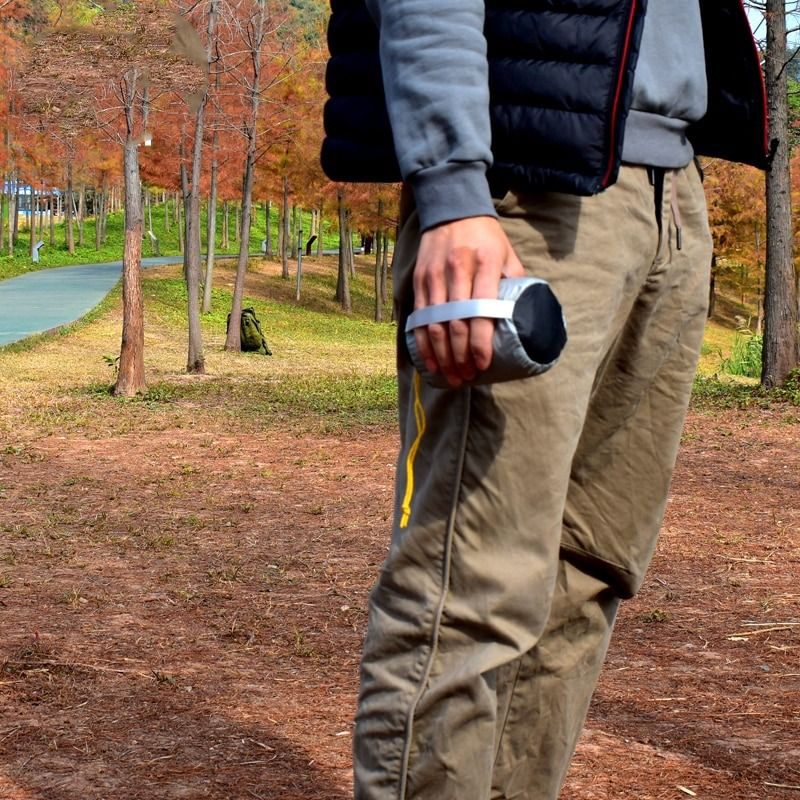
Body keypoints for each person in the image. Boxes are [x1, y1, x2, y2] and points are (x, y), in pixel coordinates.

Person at [322, 2, 768, 798]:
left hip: (670, 190)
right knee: (470, 590)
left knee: (587, 573)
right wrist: (456, 189)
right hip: (526, 188)